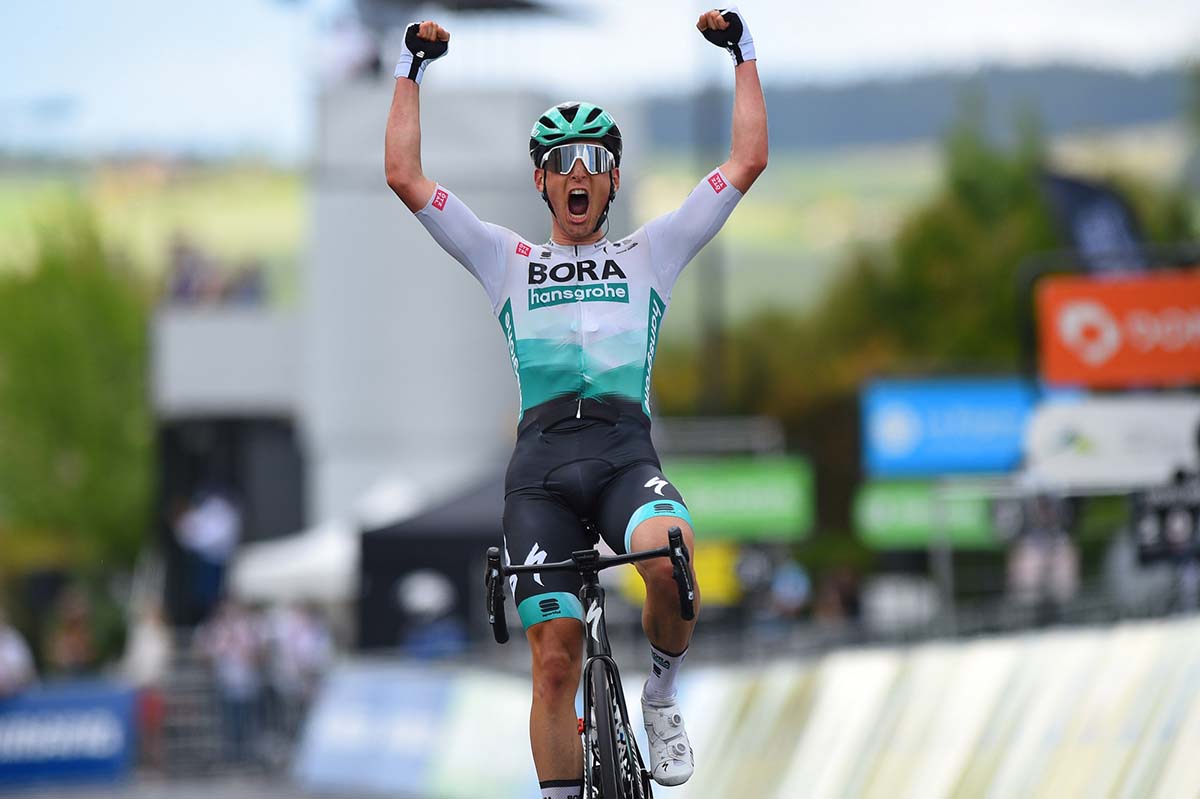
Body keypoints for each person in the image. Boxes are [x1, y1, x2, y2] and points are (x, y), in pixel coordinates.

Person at [384, 7, 766, 796]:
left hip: (625, 456)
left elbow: (747, 159)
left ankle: (660, 695)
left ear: (613, 177)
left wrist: (742, 53)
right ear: (543, 181)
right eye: (562, 162)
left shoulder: (652, 251)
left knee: (671, 554)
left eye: (595, 159)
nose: (579, 172)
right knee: (554, 660)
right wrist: (410, 70)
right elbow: (405, 176)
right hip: (542, 474)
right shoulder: (506, 257)